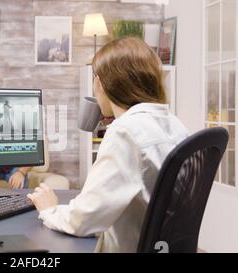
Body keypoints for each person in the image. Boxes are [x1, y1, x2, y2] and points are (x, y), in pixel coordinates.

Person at [27, 37, 189, 253]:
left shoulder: (125, 132)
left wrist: (50, 210)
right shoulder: (175, 125)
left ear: (100, 83)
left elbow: (82, 221)